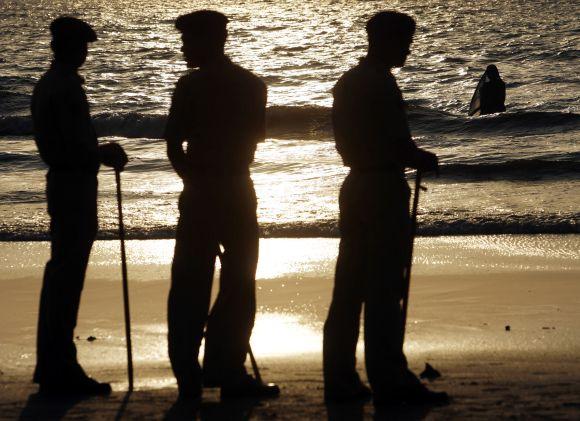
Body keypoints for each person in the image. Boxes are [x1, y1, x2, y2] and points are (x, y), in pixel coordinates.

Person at [323, 11, 449, 406]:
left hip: (355, 183)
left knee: (349, 287)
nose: (408, 49)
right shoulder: (379, 83)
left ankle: (340, 378)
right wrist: (423, 158)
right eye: (404, 41)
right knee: (384, 287)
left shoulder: (349, 81)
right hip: (381, 186)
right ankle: (390, 378)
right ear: (386, 40)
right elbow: (396, 144)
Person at [164, 10, 279, 401]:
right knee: (238, 281)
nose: (183, 49)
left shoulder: (190, 86)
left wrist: (191, 178)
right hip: (233, 188)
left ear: (211, 40)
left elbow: (172, 143)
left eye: (188, 41)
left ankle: (191, 377)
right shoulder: (251, 85)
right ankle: (225, 369)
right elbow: (251, 142)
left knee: (191, 284)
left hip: (207, 191)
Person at [31, 17, 128, 396]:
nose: (85, 52)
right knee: (67, 276)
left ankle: (55, 364)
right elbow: (74, 146)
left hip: (66, 182)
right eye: (81, 46)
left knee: (62, 274)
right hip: (73, 184)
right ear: (69, 48)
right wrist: (103, 152)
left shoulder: (50, 84)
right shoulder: (65, 87)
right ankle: (60, 368)